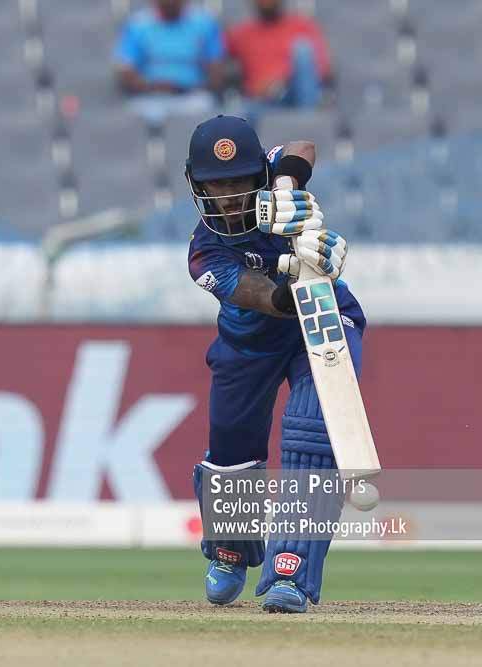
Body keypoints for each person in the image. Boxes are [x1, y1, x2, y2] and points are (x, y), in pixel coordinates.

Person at [185, 115, 363, 612]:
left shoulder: (274, 178)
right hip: (250, 341)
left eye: (239, 180)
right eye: (217, 185)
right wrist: (300, 274)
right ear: (198, 186)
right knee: (231, 450)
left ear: (259, 173)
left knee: (310, 434)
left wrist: (287, 188)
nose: (229, 196)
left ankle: (292, 574)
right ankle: (230, 553)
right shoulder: (204, 253)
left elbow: (303, 146)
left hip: (321, 323)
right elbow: (266, 298)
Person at [113, 0, 225, 124]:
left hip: (193, 96)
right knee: (143, 115)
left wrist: (189, 87)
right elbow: (126, 70)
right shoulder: (137, 25)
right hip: (150, 98)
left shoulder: (204, 23)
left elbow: (216, 67)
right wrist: (154, 86)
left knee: (205, 110)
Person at [226, 0, 332, 109]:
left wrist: (281, 81)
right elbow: (219, 59)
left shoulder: (302, 26)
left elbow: (322, 69)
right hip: (259, 101)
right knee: (236, 110)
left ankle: (308, 116)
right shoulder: (241, 33)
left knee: (302, 49)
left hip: (295, 92)